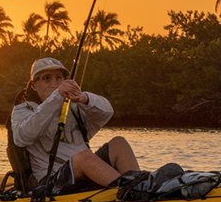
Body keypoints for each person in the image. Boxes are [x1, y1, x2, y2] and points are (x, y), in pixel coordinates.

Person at [10, 57, 140, 192]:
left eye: (59, 78)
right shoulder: (23, 110)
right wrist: (57, 97)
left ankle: (140, 186)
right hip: (52, 180)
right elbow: (22, 137)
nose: (54, 83)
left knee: (119, 143)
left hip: (87, 170)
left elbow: (107, 112)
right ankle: (130, 189)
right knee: (83, 157)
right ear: (33, 85)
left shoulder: (75, 107)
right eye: (47, 78)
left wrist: (84, 98)